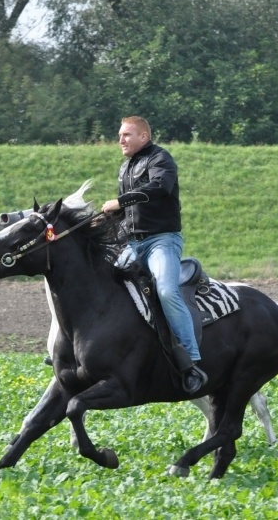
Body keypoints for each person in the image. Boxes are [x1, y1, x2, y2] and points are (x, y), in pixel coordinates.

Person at [101, 116, 208, 394]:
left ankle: (192, 362)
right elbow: (125, 214)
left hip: (162, 240)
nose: (120, 140)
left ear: (144, 137)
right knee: (99, 282)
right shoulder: (126, 166)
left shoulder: (161, 159)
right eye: (119, 135)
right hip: (132, 244)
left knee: (166, 290)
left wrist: (121, 201)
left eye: (126, 134)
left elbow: (159, 189)